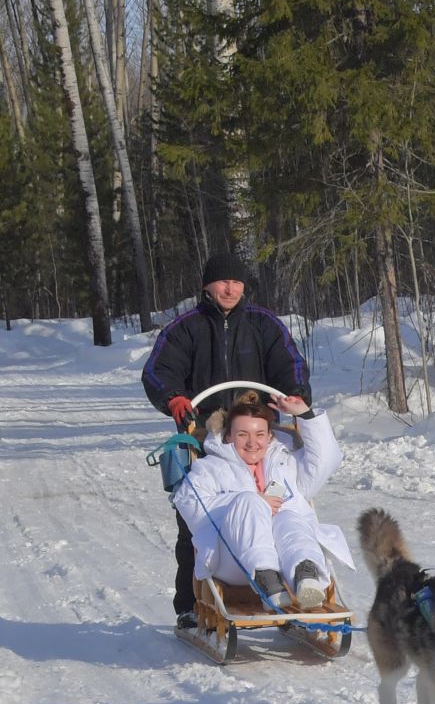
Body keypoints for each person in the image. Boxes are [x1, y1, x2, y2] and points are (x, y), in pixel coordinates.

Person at [142, 252, 312, 626]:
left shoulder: (264, 324)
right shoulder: (186, 327)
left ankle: (291, 584)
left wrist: (295, 393)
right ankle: (190, 604)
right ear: (207, 286)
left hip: (256, 431)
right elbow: (158, 370)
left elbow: (290, 364)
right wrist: (173, 397)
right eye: (222, 282)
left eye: (236, 282)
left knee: (280, 510)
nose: (230, 288)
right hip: (203, 433)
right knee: (195, 522)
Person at [171, 393, 350, 611]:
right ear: (228, 437)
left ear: (269, 437)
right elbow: (188, 503)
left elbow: (326, 461)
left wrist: (305, 414)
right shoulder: (210, 468)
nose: (252, 442)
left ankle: (306, 574)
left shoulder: (286, 463)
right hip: (233, 561)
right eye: (242, 434)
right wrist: (251, 503)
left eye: (259, 434)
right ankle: (266, 579)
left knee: (289, 517)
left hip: (286, 557)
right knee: (249, 502)